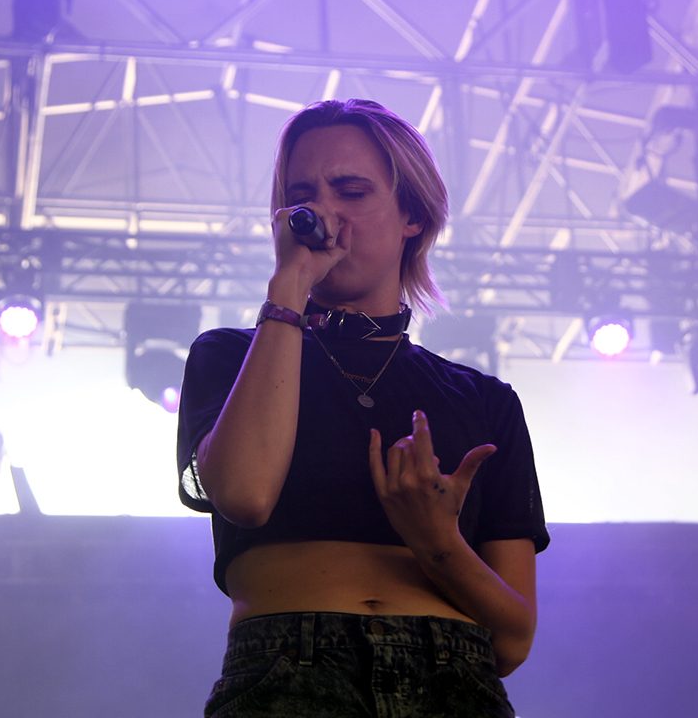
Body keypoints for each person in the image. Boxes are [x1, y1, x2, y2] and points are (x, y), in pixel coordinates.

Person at [176, 98, 549, 717]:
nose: (324, 213)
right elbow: (244, 494)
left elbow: (512, 641)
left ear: (412, 215)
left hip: (455, 684)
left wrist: (437, 540)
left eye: (351, 191)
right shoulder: (232, 356)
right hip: (290, 677)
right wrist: (288, 289)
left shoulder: (485, 400)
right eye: (302, 195)